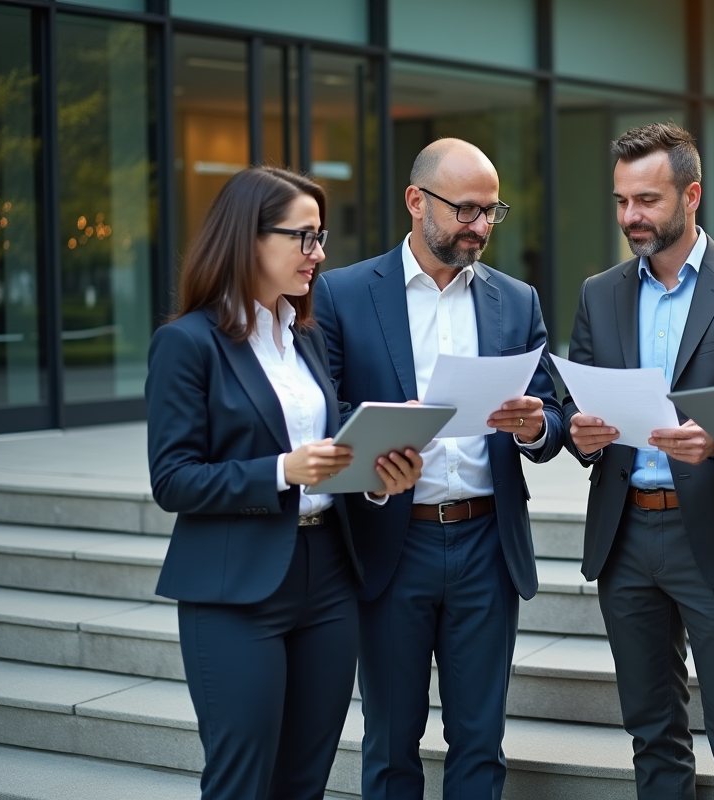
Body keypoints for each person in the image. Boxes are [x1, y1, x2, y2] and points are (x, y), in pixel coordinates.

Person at [145, 167, 423, 800]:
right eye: (304, 237)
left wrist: (379, 479)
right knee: (242, 779)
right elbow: (173, 479)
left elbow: (329, 460)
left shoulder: (304, 337)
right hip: (235, 587)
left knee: (305, 778)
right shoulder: (187, 344)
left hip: (326, 573)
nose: (319, 254)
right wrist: (281, 471)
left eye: (320, 237)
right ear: (249, 239)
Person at [312, 138, 566, 800]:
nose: (480, 226)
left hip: (488, 543)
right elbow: (325, 412)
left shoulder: (518, 300)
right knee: (392, 741)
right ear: (416, 201)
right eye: (466, 210)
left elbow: (554, 416)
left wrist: (537, 426)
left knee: (480, 742)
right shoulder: (341, 294)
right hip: (392, 545)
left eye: (491, 212)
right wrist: (376, 450)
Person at [562, 122, 714, 800]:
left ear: (691, 195)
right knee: (650, 732)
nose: (631, 217)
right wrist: (580, 431)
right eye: (621, 201)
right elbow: (572, 396)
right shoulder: (598, 292)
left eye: (648, 200)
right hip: (625, 532)